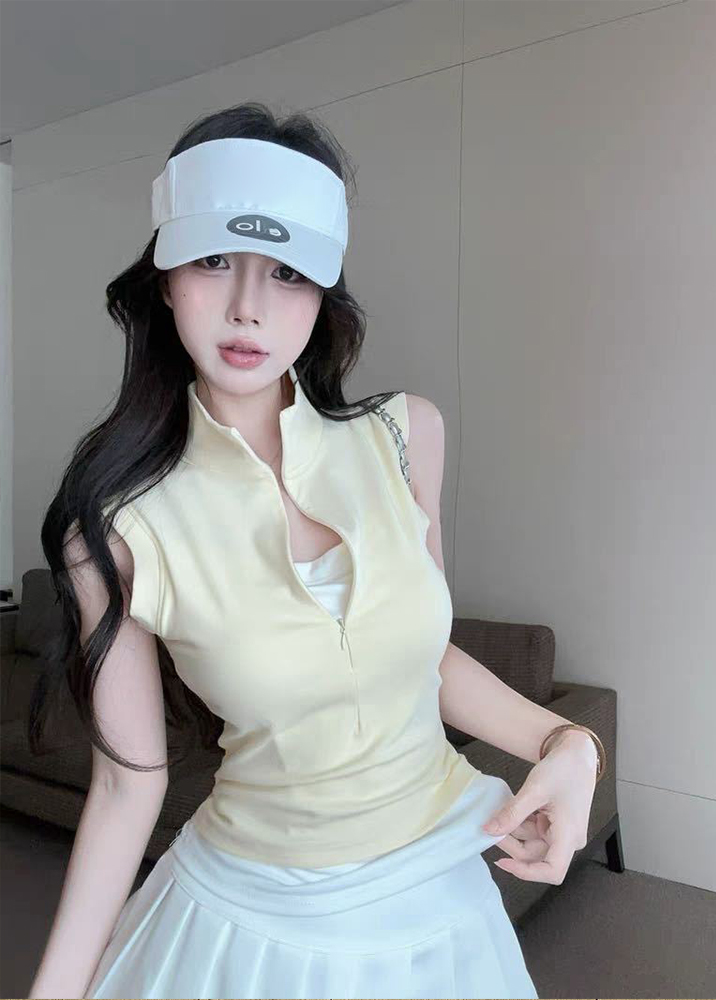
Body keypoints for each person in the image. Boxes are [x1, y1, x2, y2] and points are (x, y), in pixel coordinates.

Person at [28, 103, 605, 1000]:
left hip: (440, 898)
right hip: (253, 927)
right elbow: (122, 789)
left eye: (288, 272)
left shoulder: (405, 437)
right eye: (214, 259)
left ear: (323, 294)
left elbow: (420, 656)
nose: (248, 307)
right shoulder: (115, 525)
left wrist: (568, 742)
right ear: (165, 276)